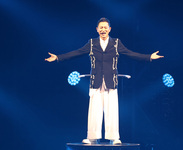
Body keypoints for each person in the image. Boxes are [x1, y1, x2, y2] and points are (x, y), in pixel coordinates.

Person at [45, 17, 164, 145]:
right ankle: (92, 137)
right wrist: (58, 57)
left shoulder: (116, 43)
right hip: (95, 81)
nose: (103, 30)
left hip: (110, 81)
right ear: (97, 29)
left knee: (112, 110)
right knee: (94, 110)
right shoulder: (91, 43)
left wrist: (149, 57)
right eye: (100, 28)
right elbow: (77, 53)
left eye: (105, 28)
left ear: (109, 29)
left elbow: (130, 53)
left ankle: (114, 137)